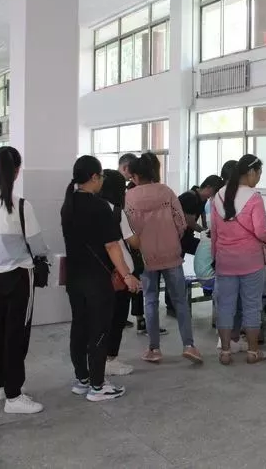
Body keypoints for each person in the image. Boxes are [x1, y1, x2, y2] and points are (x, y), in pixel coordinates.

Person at [0, 146, 49, 415]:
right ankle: (14, 395)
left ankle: (0, 385)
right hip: (19, 275)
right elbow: (37, 245)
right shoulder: (21, 205)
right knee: (17, 333)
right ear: (17, 171)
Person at [62, 158, 140, 402]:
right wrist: (127, 276)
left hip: (74, 277)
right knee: (99, 330)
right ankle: (98, 386)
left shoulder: (68, 204)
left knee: (79, 327)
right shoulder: (99, 207)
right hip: (97, 279)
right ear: (94, 177)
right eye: (101, 177)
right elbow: (112, 246)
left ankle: (82, 380)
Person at [125, 152, 203, 364]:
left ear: (136, 175)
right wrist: (172, 237)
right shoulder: (166, 191)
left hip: (145, 256)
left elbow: (128, 228)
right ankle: (189, 346)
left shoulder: (129, 197)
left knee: (150, 300)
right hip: (171, 253)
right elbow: (181, 222)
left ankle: (154, 349)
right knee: (180, 301)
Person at [212, 154, 266, 365]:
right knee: (251, 306)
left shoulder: (219, 196)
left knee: (225, 306)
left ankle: (225, 352)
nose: (259, 178)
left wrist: (216, 257)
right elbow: (261, 231)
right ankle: (253, 352)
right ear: (251, 172)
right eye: (259, 173)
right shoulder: (254, 197)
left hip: (225, 261)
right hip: (251, 261)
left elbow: (215, 233)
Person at [99, 169, 143, 378]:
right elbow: (133, 242)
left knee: (99, 320)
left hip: (95, 273)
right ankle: (110, 359)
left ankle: (97, 359)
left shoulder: (87, 208)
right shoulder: (116, 212)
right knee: (116, 319)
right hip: (119, 273)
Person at [119, 152, 152, 330]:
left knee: (135, 276)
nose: (133, 177)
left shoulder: (130, 188)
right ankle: (123, 316)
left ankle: (138, 317)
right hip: (122, 241)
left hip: (130, 239)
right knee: (125, 276)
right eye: (132, 174)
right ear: (126, 168)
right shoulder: (117, 186)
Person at [178, 175, 224, 256]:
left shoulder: (202, 199)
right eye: (215, 192)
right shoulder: (190, 197)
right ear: (208, 187)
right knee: (207, 250)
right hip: (177, 238)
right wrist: (206, 232)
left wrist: (208, 231)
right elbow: (190, 223)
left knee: (208, 249)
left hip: (185, 236)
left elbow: (204, 218)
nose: (214, 196)